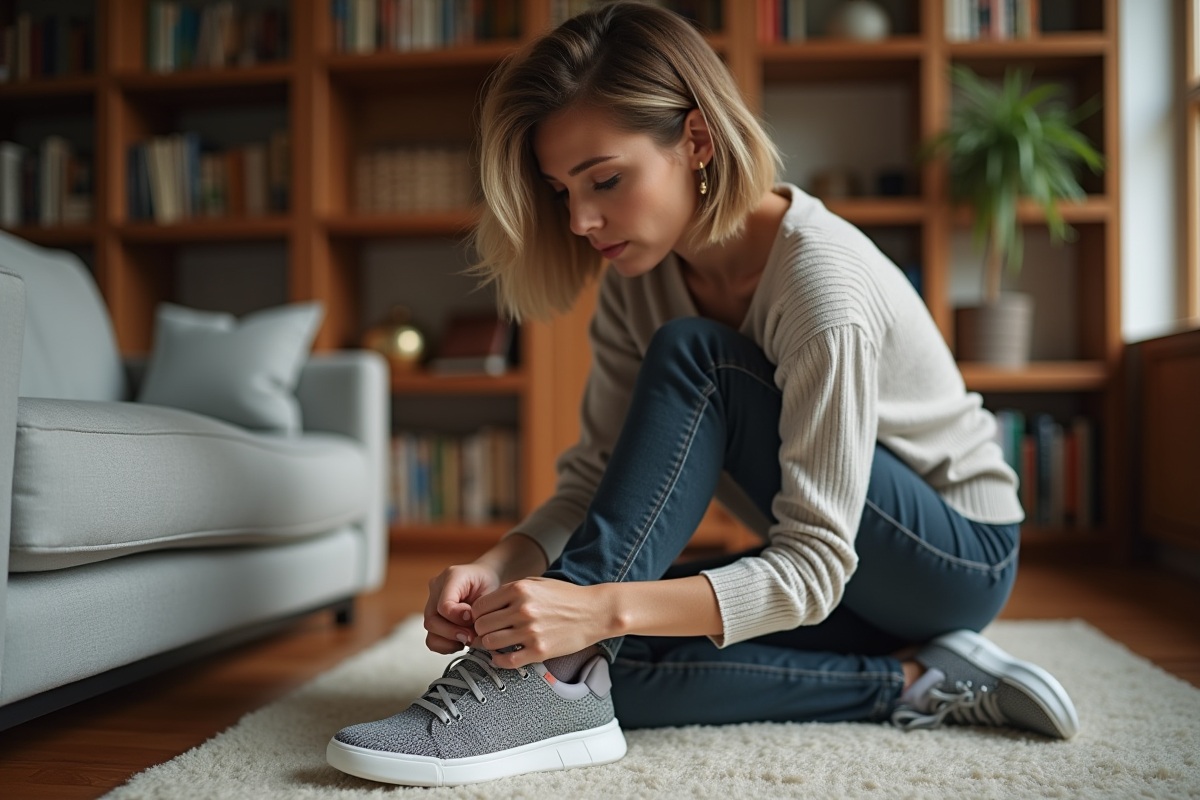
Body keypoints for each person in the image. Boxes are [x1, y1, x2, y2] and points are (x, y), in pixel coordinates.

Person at [326, 2, 1079, 788]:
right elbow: (594, 479)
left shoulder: (821, 288)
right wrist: (504, 560)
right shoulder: (638, 276)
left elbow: (816, 565)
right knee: (604, 677)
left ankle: (545, 677)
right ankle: (919, 682)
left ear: (695, 139)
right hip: (848, 576)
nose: (582, 220)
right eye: (560, 192)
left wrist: (595, 609)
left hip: (949, 554)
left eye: (606, 180)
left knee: (696, 372)